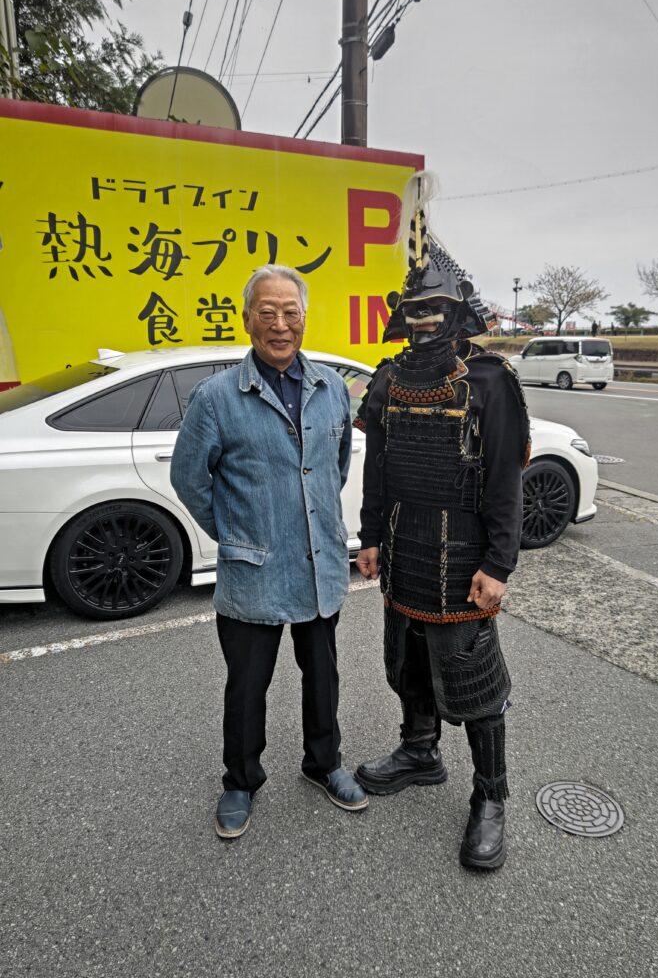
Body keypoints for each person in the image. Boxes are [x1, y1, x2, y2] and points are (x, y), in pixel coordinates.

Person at [353, 173, 529, 869]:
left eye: (435, 308)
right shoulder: (386, 378)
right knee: (407, 661)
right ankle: (419, 752)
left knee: (474, 679)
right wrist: (369, 536)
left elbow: (505, 480)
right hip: (403, 545)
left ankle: (490, 796)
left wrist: (499, 564)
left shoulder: (489, 382)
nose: (423, 319)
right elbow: (375, 467)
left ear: (457, 312)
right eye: (413, 308)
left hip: (465, 552)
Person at [171, 264, 368, 839]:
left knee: (323, 676)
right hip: (252, 572)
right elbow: (190, 478)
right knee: (246, 685)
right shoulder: (217, 398)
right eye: (267, 312)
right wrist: (234, 532)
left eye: (291, 312)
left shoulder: (331, 388)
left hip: (318, 565)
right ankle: (240, 780)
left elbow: (334, 468)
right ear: (247, 319)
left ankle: (323, 763)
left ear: (304, 318)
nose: (280, 325)